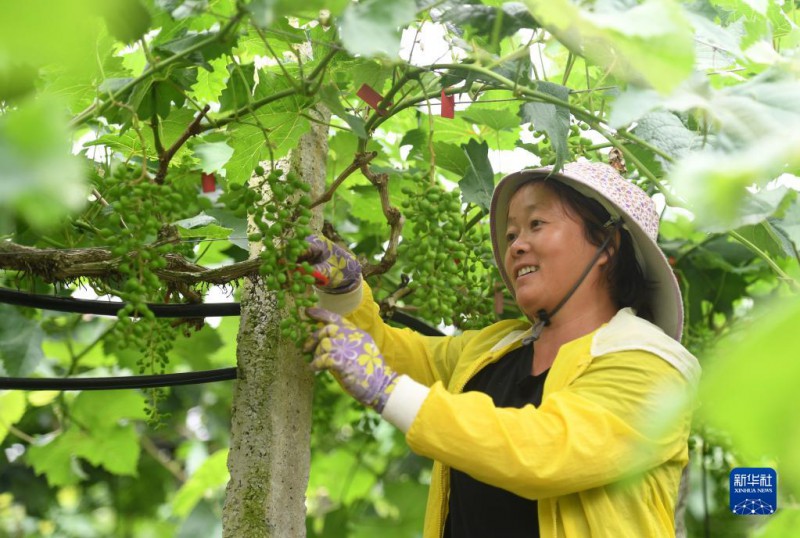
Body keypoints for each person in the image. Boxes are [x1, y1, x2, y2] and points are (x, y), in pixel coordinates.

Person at [303, 161, 700, 537]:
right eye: (511, 234)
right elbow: (392, 355)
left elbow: (544, 451)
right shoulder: (495, 347)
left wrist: (387, 389)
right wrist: (344, 292)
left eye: (536, 224)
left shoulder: (653, 369)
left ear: (607, 244)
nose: (516, 246)